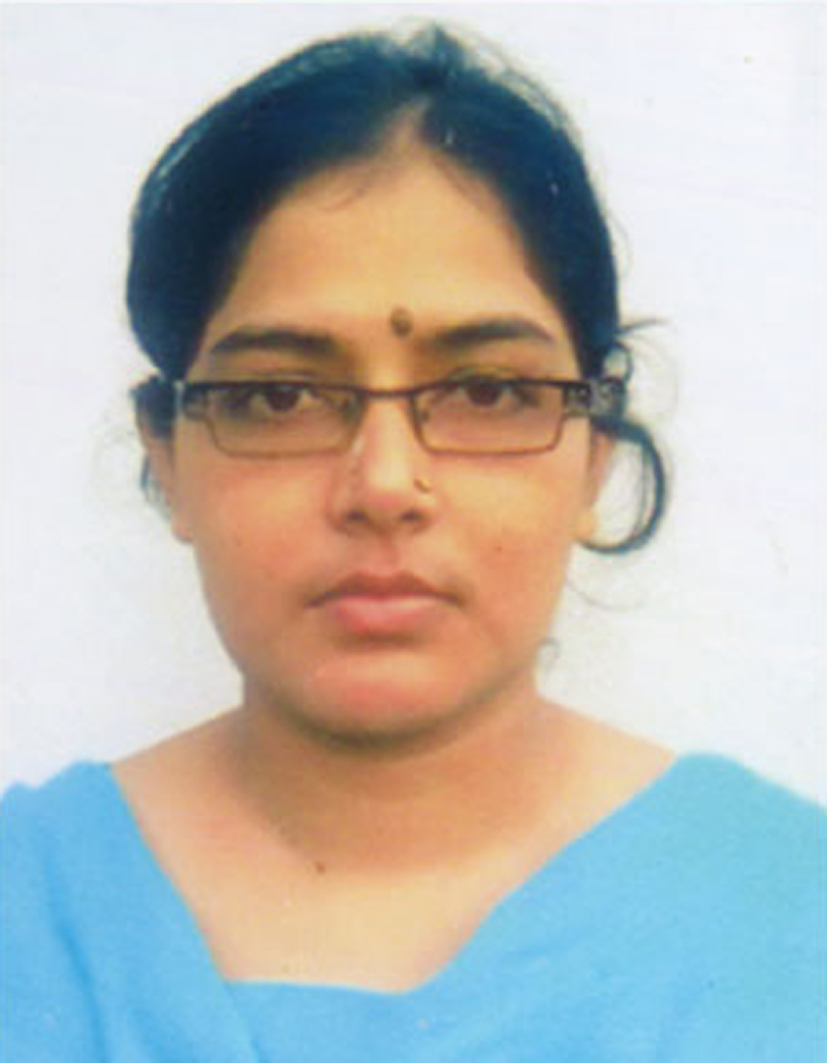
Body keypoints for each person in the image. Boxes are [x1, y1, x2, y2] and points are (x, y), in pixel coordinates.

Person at [2, 22, 823, 1062]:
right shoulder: (28, 910)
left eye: (487, 390)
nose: (384, 485)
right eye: (279, 395)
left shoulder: (787, 916)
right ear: (166, 457)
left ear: (595, 455)